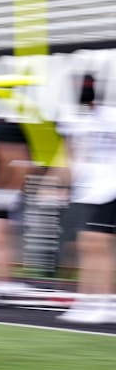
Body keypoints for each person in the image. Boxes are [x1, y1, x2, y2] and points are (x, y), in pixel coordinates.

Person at [55, 74, 116, 324]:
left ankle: (102, 301)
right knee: (90, 245)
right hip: (91, 189)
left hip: (111, 187)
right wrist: (61, 184)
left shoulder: (111, 116)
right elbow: (68, 154)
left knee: (95, 243)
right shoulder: (71, 118)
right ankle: (93, 299)